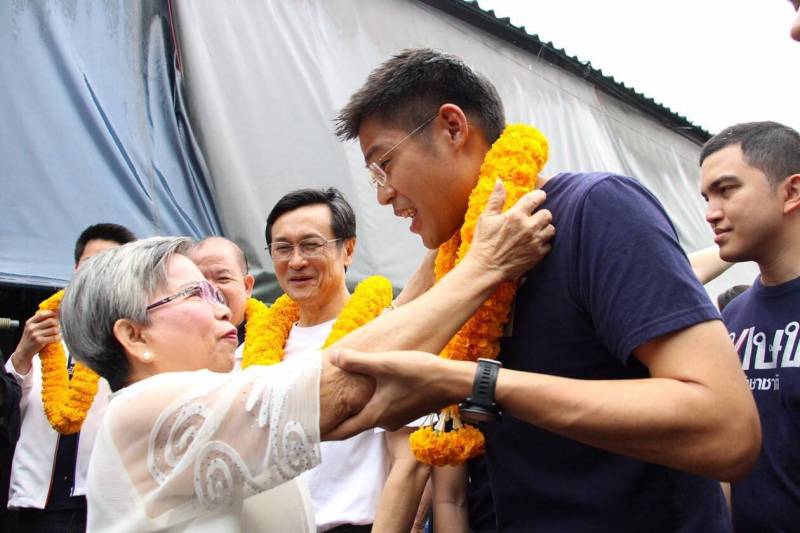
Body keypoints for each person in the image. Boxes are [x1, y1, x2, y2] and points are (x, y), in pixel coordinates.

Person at [330, 48, 761, 531]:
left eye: (384, 164)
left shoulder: (596, 210)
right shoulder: (457, 263)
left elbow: (727, 430)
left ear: (452, 128)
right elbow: (347, 375)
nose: (382, 194)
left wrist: (477, 383)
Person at [60, 181, 553, 532]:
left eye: (219, 290)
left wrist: (448, 241)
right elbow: (342, 386)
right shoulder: (141, 409)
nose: (223, 308)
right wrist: (484, 266)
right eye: (196, 293)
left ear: (347, 250)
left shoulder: (211, 393)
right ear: (134, 336)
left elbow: (355, 382)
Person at [265, 187, 429, 532]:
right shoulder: (251, 353)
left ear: (348, 250)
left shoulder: (385, 334)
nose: (296, 261)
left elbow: (409, 460)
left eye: (311, 245)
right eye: (283, 248)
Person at [699, 121, 800, 532]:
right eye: (706, 197)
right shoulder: (731, 319)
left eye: (726, 190)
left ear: (791, 192)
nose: (711, 213)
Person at [5, 222, 135, 533]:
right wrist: (23, 353)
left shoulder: (137, 337)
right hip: (37, 503)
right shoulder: (44, 332)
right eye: (90, 264)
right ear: (75, 269)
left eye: (110, 266)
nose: (97, 275)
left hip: (102, 501)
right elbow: (9, 409)